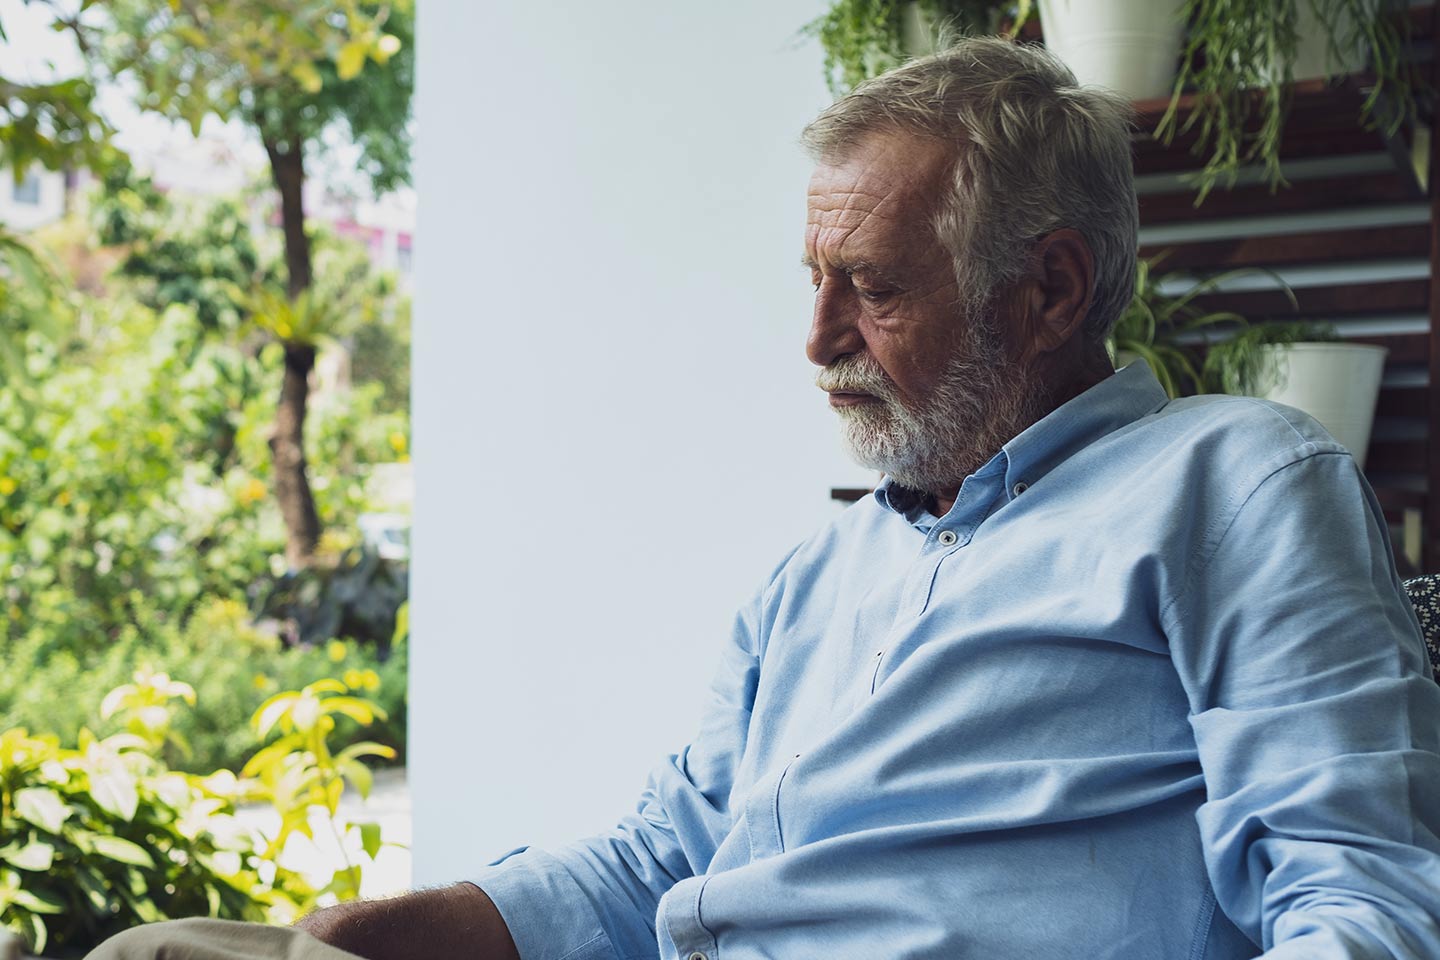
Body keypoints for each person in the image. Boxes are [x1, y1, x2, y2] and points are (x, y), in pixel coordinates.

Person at [90, 36, 1440, 960]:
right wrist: (409, 923)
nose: (817, 340)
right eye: (816, 278)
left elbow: (1357, 894)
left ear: (1052, 291)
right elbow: (657, 856)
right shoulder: (821, 575)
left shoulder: (1235, 485)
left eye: (877, 286)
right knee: (166, 952)